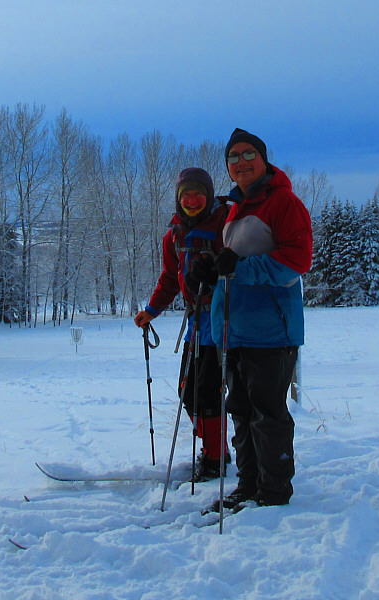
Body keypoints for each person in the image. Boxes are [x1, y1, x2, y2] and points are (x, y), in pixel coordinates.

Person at [188, 128, 313, 509]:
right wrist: (210, 270)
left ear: (263, 158)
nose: (241, 163)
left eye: (248, 155)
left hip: (271, 331)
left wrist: (238, 268)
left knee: (268, 414)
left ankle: (273, 493)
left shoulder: (284, 203)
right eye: (233, 157)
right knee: (240, 411)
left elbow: (297, 261)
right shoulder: (235, 208)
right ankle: (248, 486)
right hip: (234, 328)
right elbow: (232, 263)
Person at [134, 167, 230, 482]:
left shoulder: (223, 225)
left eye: (198, 193)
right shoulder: (174, 235)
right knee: (187, 391)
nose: (192, 200)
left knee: (208, 391)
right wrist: (152, 310)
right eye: (185, 194)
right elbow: (169, 278)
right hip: (195, 322)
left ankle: (216, 459)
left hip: (221, 320)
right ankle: (212, 449)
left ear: (209, 195)